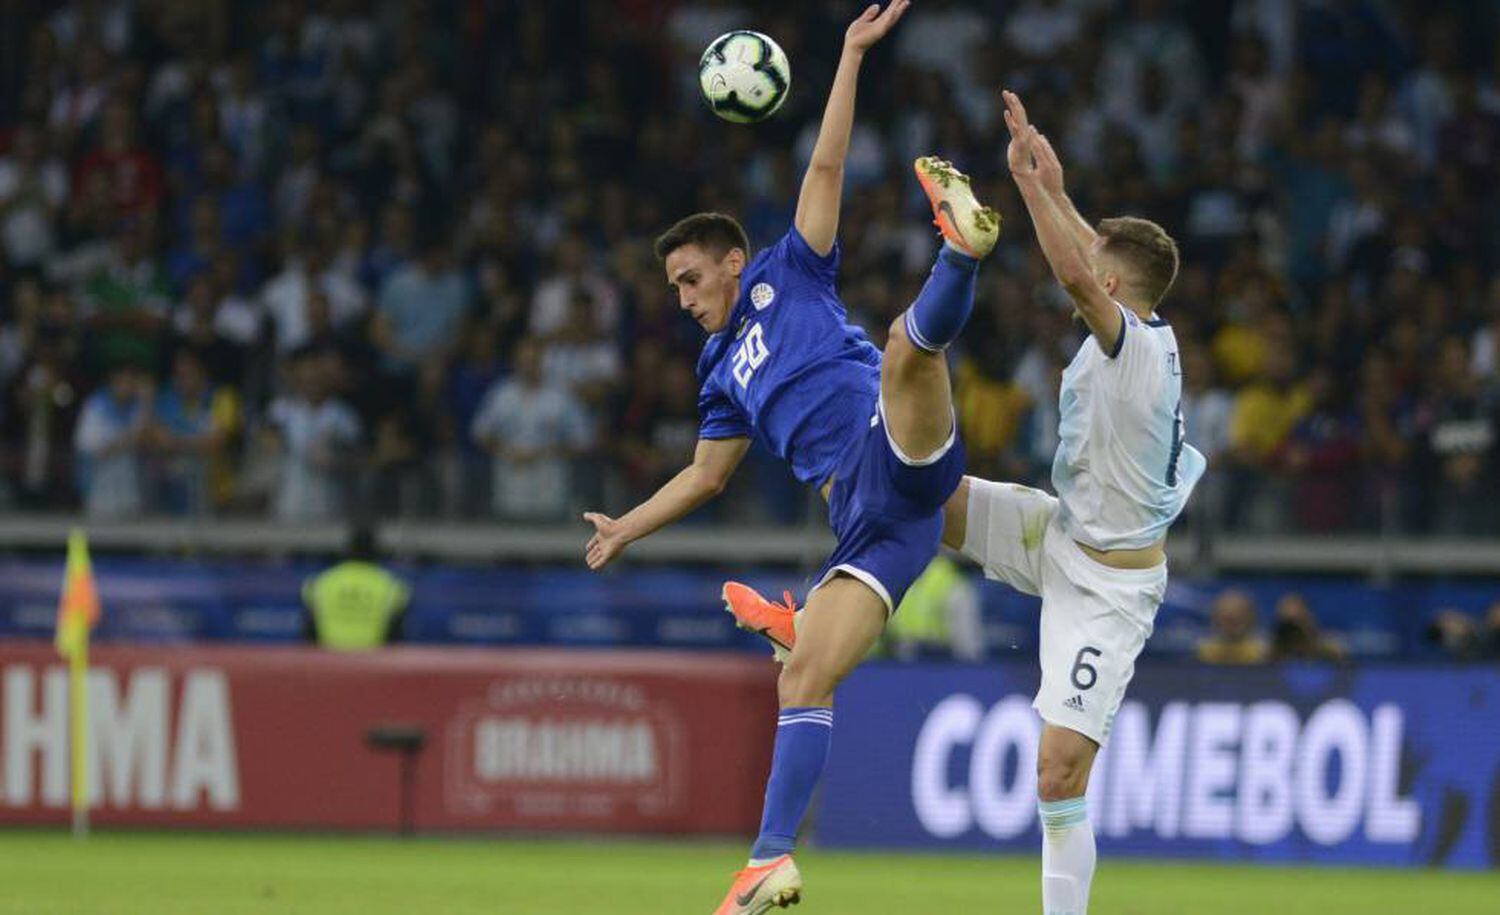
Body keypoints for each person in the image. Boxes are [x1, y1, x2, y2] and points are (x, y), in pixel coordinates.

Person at [730, 90, 1203, 915]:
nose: (1085, 260)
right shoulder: (1136, 321)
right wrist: (1048, 183)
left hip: (1111, 584)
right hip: (1062, 531)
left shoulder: (1136, 352)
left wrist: (1028, 196)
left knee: (1057, 771)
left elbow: (1075, 271)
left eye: (1099, 263)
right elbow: (1094, 259)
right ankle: (816, 622)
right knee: (915, 490)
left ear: (1113, 284)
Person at [581, 4, 1001, 910]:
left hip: (887, 447)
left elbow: (826, 166)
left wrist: (849, 56)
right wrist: (626, 528)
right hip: (872, 519)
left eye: (691, 277)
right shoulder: (717, 374)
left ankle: (961, 258)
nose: (683, 298)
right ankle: (771, 856)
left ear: (734, 261)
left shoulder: (789, 270)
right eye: (673, 287)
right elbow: (707, 475)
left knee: (905, 351)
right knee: (806, 678)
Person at [302, 527, 410, 650]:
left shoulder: (321, 583)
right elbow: (396, 638)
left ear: (347, 550)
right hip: (374, 660)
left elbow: (308, 637)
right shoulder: (392, 587)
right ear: (376, 552)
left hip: (328, 660)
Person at [1196, 587, 1269, 664]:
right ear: (1215, 618)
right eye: (1226, 619)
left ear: (1251, 618)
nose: (1230, 625)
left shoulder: (1263, 652)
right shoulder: (1204, 651)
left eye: (1238, 618)